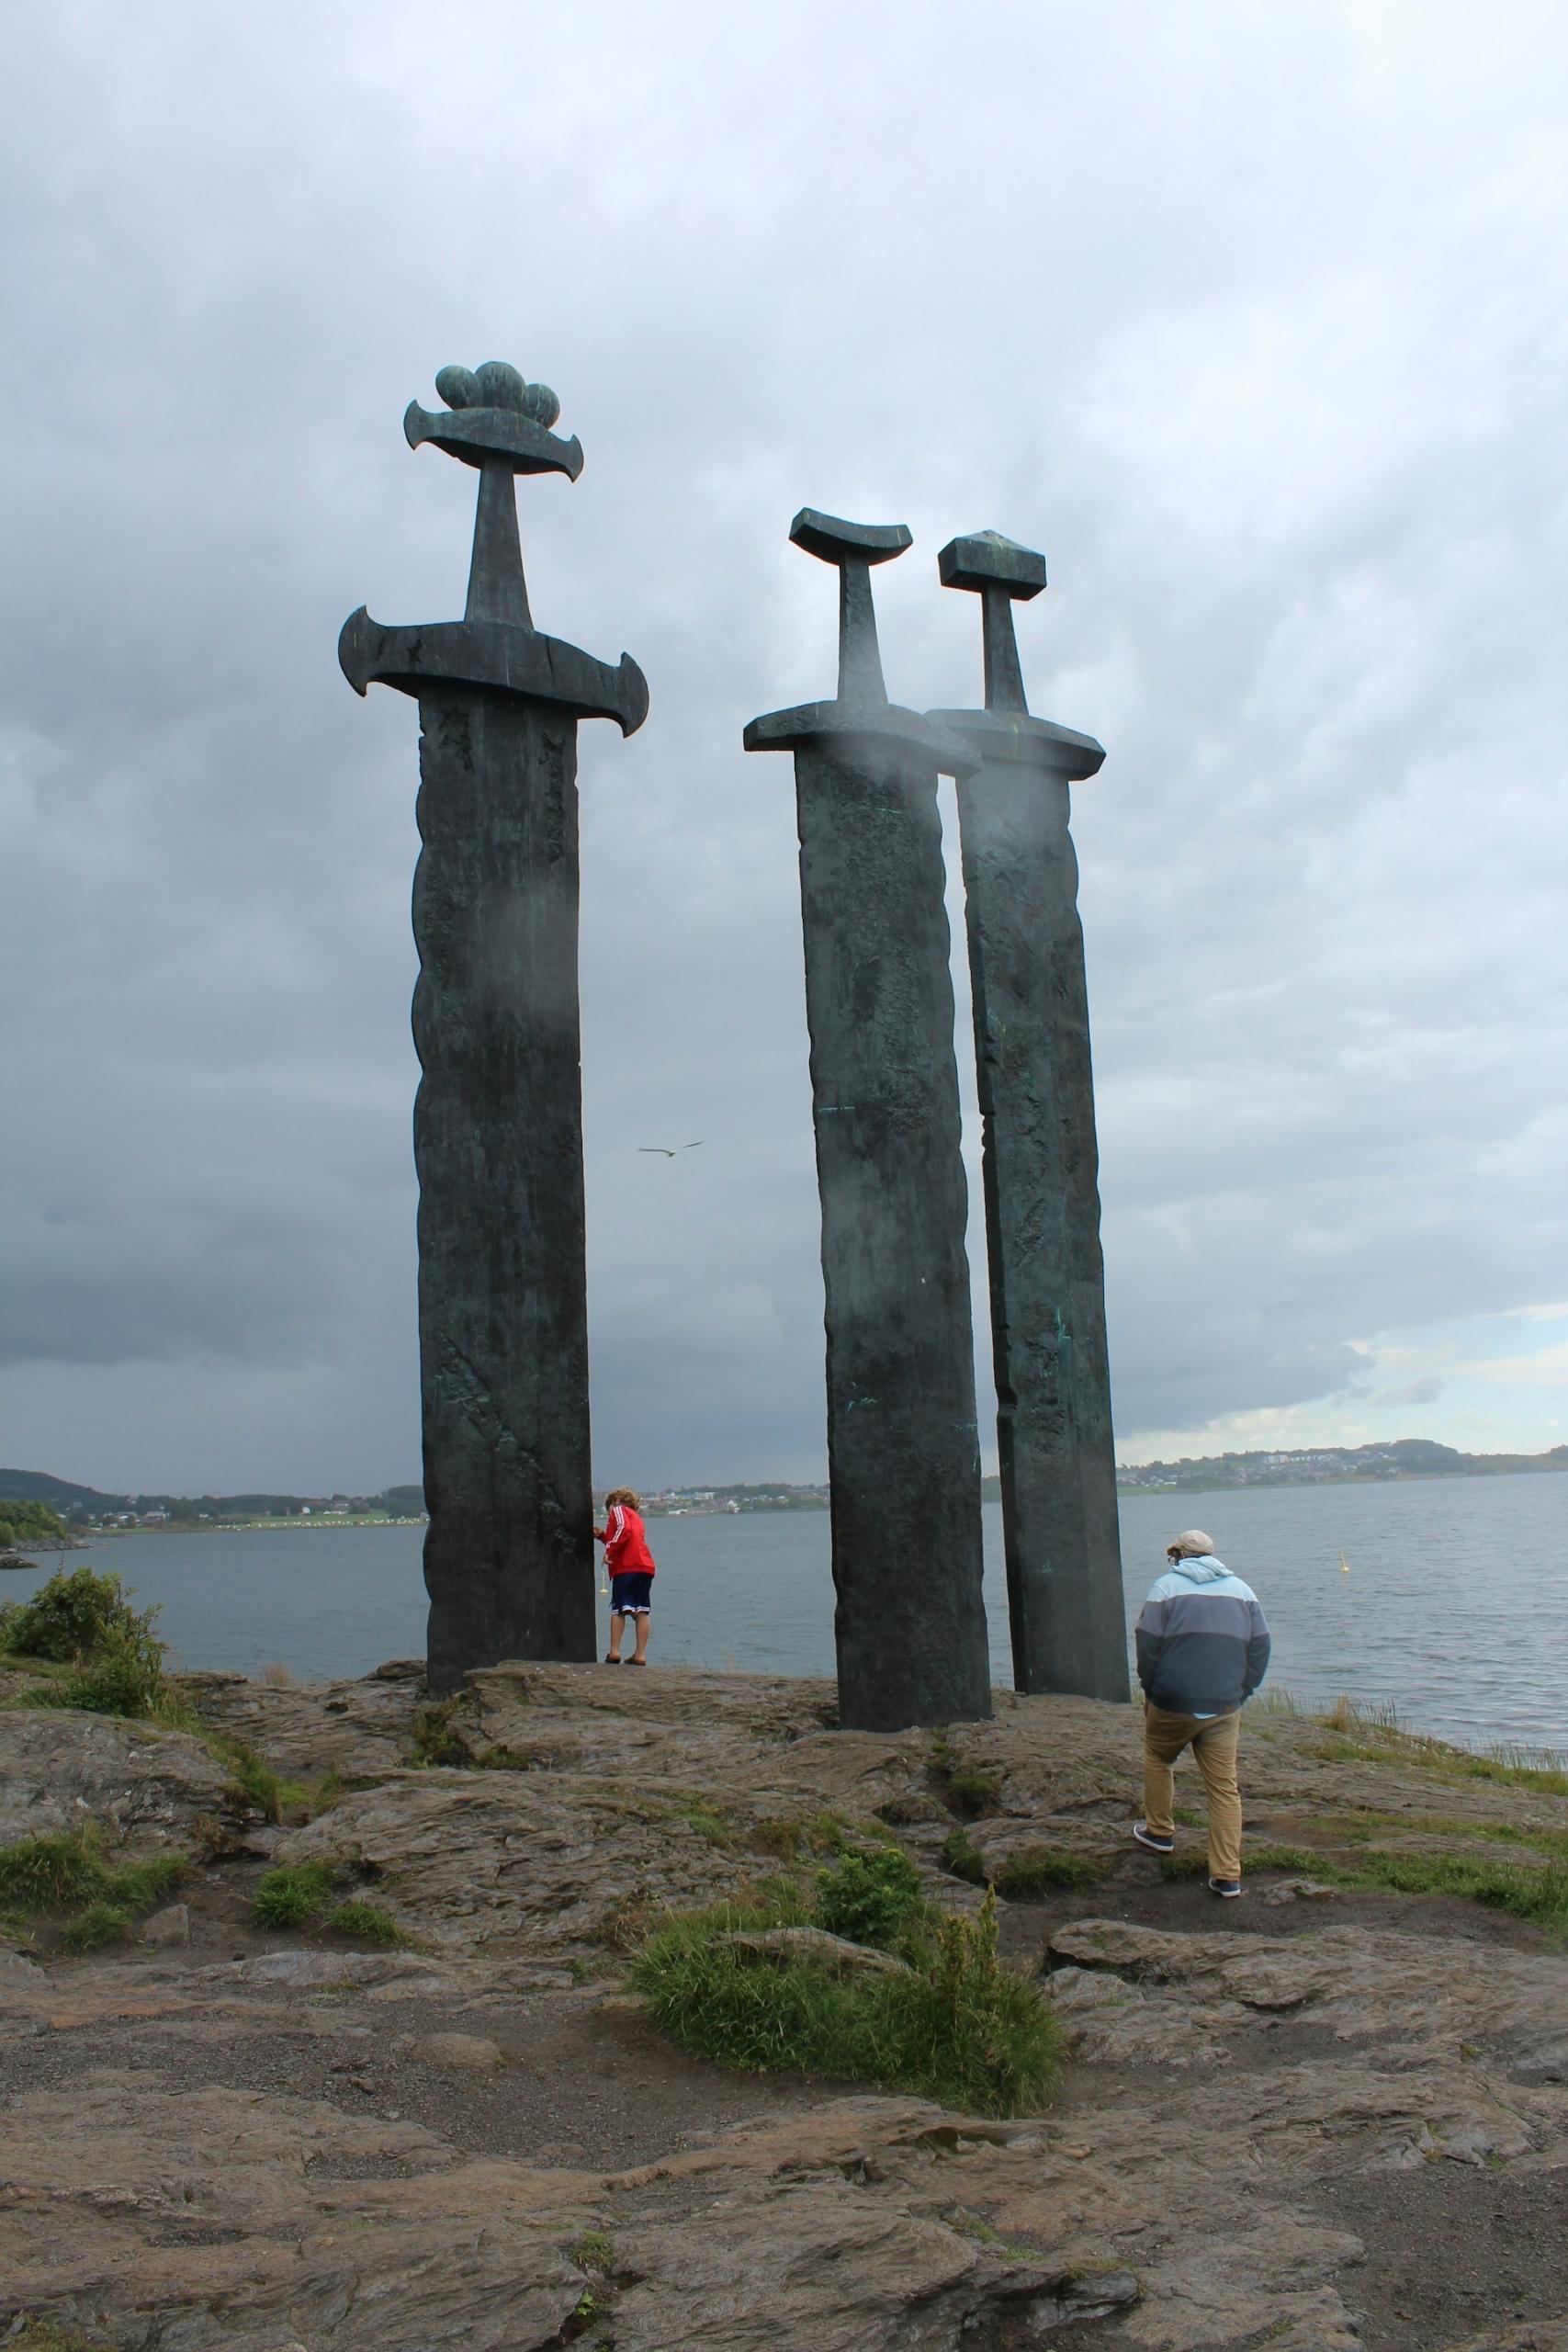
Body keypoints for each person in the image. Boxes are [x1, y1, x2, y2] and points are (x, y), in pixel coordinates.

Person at [1132, 1529, 1271, 1898]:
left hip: (1173, 1700)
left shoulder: (1165, 1588)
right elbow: (1260, 1647)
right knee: (1224, 1787)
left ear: (1178, 1555)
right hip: (1224, 1704)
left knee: (1158, 1757)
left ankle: (1159, 1832)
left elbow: (1147, 1645)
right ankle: (1227, 1875)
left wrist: (1150, 1690)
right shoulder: (1242, 1590)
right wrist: (1242, 1690)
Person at [594, 1487, 657, 1664]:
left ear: (615, 1502)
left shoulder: (619, 1510)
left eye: (609, 1511)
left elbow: (623, 1530)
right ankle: (640, 1654)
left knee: (618, 1609)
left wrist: (609, 1552)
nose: (610, 1515)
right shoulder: (637, 1518)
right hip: (645, 1567)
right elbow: (624, 1537)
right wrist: (603, 1537)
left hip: (627, 1567)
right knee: (642, 1610)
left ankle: (614, 1651)